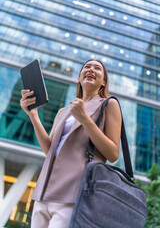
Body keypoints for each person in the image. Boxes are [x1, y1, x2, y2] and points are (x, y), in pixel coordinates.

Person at [20, 59, 122, 228]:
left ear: (103, 82)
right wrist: (33, 115)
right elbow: (49, 150)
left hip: (73, 192)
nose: (91, 69)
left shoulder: (109, 104)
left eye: (97, 68)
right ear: (79, 78)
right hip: (44, 191)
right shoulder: (64, 111)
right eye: (87, 67)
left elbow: (113, 154)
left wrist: (85, 119)